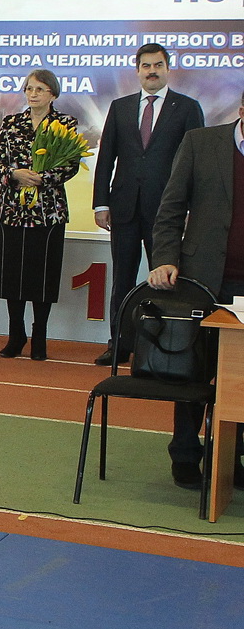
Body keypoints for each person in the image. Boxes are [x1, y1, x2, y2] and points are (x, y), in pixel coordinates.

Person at [145, 97, 244, 490]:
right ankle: (185, 454)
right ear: (242, 111)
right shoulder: (200, 143)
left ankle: (234, 458)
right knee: (192, 373)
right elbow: (170, 208)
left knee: (241, 379)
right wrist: (165, 258)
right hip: (202, 281)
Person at [92, 43, 205, 366]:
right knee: (122, 281)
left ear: (167, 69)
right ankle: (119, 344)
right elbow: (106, 157)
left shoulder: (187, 108)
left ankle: (164, 348)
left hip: (167, 212)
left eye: (157, 65)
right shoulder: (120, 107)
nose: (152, 71)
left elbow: (197, 163)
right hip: (124, 208)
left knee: (165, 281)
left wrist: (191, 209)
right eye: (146, 66)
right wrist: (101, 204)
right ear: (138, 70)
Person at [0, 70, 79, 361]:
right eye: (29, 88)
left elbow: (71, 165)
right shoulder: (11, 123)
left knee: (42, 274)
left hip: (47, 211)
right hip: (11, 210)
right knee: (11, 275)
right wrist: (15, 175)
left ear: (53, 93)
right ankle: (16, 334)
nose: (33, 94)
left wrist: (43, 178)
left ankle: (40, 335)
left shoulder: (65, 124)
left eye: (40, 89)